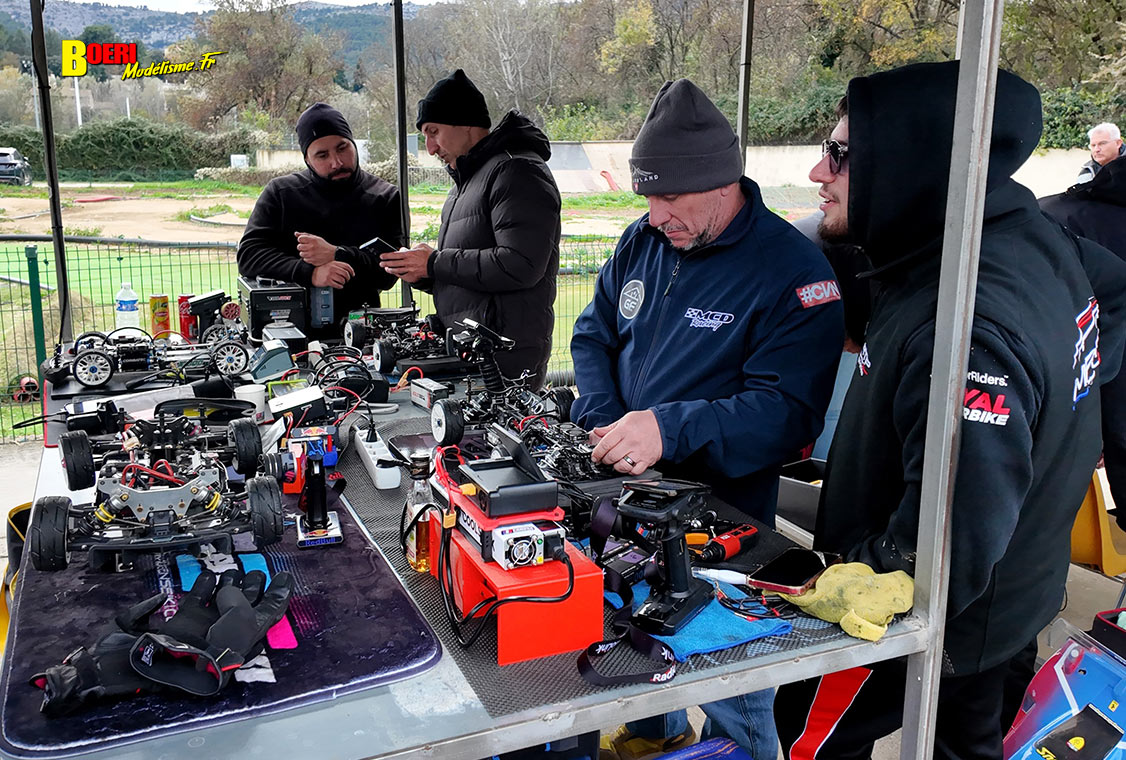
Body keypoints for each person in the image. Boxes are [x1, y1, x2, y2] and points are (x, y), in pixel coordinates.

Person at [773, 62, 1126, 760]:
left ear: (916, 157)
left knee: (806, 737)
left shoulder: (969, 321)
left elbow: (951, 539)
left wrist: (858, 576)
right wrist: (1065, 412)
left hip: (939, 616)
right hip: (1016, 593)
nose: (818, 172)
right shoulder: (1019, 229)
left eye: (840, 154)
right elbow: (1113, 293)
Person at [570, 78, 845, 760]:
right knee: (629, 622)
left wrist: (669, 427)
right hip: (623, 486)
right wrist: (608, 422)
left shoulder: (792, 272)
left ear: (722, 182)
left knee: (729, 675)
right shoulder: (645, 241)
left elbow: (788, 413)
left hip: (721, 517)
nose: (655, 214)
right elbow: (593, 334)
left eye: (669, 197)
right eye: (647, 197)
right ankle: (651, 731)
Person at [378, 70, 561, 388]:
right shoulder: (466, 181)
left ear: (466, 123)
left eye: (434, 132)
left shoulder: (517, 171)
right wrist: (425, 274)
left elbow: (520, 265)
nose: (430, 148)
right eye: (425, 135)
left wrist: (435, 262)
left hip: (505, 362)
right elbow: (472, 277)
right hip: (468, 356)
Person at [237, 103, 402, 332]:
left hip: (362, 335)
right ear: (307, 159)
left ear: (353, 144)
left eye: (342, 148)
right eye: (322, 155)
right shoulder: (282, 193)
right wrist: (310, 273)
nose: (336, 162)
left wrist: (337, 253)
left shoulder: (384, 196)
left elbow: (390, 273)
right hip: (288, 332)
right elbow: (249, 256)